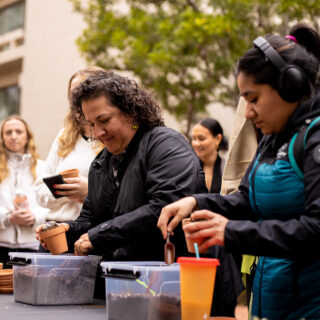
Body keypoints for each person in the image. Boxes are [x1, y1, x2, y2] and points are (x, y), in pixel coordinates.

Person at [158, 23, 320, 320]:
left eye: (253, 98)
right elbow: (247, 201)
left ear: (290, 86)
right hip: (272, 303)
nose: (246, 112)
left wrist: (231, 232)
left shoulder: (315, 137)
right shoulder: (271, 138)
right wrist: (196, 201)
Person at [36, 71, 206, 262]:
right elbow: (90, 221)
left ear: (131, 111)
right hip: (123, 278)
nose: (98, 133)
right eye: (91, 124)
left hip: (175, 273)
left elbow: (163, 207)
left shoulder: (166, 144)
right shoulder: (101, 163)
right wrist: (66, 230)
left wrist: (98, 235)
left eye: (104, 120)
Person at [35, 67, 104, 226]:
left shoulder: (112, 137)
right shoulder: (63, 136)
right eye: (72, 94)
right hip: (55, 228)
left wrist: (89, 191)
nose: (76, 98)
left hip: (93, 230)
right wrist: (69, 191)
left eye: (82, 91)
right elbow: (40, 191)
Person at [192, 118, 244, 317]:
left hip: (225, 245)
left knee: (224, 299)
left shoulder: (228, 171)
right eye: (193, 139)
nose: (196, 143)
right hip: (196, 245)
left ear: (217, 139)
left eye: (201, 138)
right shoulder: (189, 168)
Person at [0, 115, 47, 267]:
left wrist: (34, 218)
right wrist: (7, 217)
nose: (13, 136)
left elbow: (53, 206)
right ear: (2, 138)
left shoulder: (43, 168)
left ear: (27, 136)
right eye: (8, 132)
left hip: (32, 246)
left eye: (18, 131)